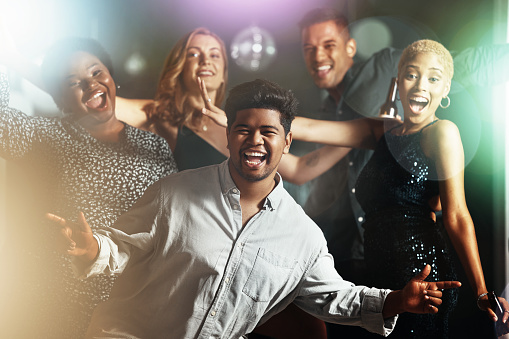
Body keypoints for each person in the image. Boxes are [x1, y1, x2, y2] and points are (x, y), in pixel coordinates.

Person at [47, 78, 463, 338]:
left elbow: (335, 299)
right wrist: (91, 250)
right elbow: (122, 248)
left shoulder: (303, 236)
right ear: (229, 137)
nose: (254, 141)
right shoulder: (174, 192)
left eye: (268, 132)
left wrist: (394, 301)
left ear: (287, 142)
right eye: (243, 130)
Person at [290, 39, 509, 338]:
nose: (421, 85)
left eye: (433, 78)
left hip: (425, 282)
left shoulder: (442, 133)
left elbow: (456, 215)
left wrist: (482, 291)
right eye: (411, 74)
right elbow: (311, 128)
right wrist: (245, 117)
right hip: (381, 283)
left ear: (445, 90)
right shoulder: (382, 130)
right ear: (397, 83)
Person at [0, 37, 177, 338]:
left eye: (96, 72)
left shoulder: (153, 146)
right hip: (56, 305)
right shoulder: (47, 135)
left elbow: (170, 224)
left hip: (130, 314)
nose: (90, 84)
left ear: (111, 77)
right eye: (74, 82)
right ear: (60, 97)